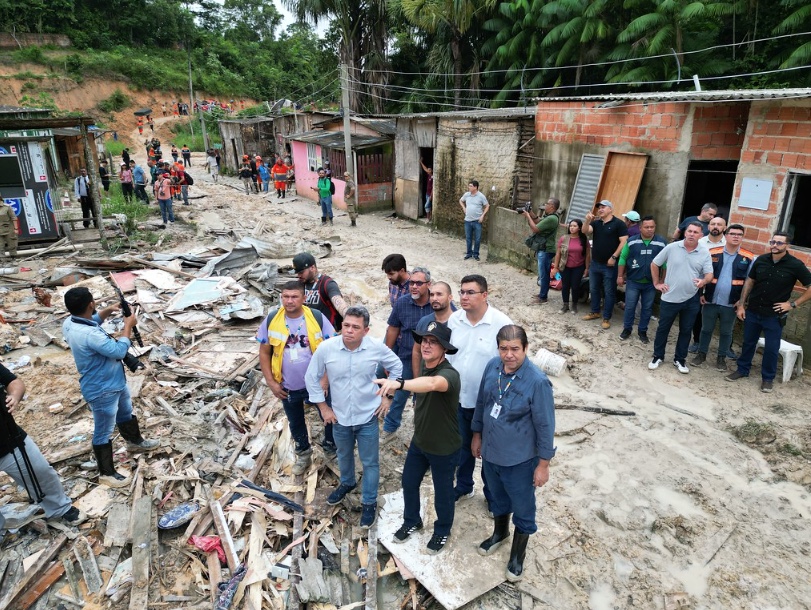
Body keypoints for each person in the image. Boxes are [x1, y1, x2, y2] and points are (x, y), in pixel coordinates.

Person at [305, 306, 402, 528]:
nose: (349, 330)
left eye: (355, 327)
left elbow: (397, 367)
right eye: (346, 325)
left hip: (367, 416)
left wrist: (388, 396)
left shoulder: (375, 347)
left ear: (366, 331)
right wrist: (323, 408)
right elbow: (311, 377)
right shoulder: (327, 349)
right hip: (339, 417)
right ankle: (347, 482)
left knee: (370, 462)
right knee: (343, 453)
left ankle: (369, 502)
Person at [472, 325, 555, 581]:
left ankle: (517, 556)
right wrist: (477, 434)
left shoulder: (537, 382)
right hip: (491, 453)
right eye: (504, 349)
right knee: (496, 497)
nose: (509, 355)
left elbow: (545, 425)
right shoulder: (492, 367)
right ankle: (500, 533)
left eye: (515, 349)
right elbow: (482, 402)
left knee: (522, 506)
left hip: (519, 459)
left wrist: (543, 464)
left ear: (526, 348)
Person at [62, 287, 160, 488]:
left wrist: (109, 310)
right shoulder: (91, 335)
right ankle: (106, 473)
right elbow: (117, 351)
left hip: (113, 381)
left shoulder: (71, 322)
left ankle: (135, 442)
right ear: (91, 304)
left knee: (125, 411)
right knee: (103, 430)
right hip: (102, 388)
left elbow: (92, 320)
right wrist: (127, 326)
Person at [377, 322, 461, 554]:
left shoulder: (449, 375)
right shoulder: (425, 367)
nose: (426, 345)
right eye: (424, 340)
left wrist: (400, 383)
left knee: (443, 492)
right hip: (420, 442)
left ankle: (442, 529)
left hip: (444, 447)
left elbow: (434, 385)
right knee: (408, 482)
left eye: (433, 342)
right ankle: (412, 520)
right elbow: (423, 383)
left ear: (444, 348)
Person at [447, 274, 513, 507]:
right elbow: (448, 356)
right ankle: (464, 486)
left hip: (489, 403)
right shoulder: (455, 320)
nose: (464, 297)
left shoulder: (501, 324)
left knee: (490, 454)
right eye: (462, 292)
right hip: (458, 399)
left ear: (485, 295)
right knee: (462, 447)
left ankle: (493, 497)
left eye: (470, 292)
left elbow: (512, 363)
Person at [257, 281, 336, 474]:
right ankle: (303, 453)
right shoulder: (272, 320)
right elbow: (264, 353)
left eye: (294, 297)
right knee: (296, 421)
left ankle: (331, 448)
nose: (289, 301)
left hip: (318, 384)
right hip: (288, 386)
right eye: (285, 296)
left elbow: (333, 351)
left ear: (304, 298)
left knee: (329, 417)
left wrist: (325, 380)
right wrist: (271, 383)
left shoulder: (317, 318)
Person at [0, 363, 87, 533]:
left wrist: (15, 397)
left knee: (40, 472)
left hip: (9, 438)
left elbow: (14, 382)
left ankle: (60, 508)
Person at [726, 232, 811, 392]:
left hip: (774, 315)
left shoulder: (795, 265)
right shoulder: (761, 260)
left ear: (787, 246)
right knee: (748, 343)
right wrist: (742, 305)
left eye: (779, 243)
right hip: (753, 310)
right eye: (773, 242)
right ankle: (742, 370)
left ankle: (767, 378)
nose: (774, 245)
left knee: (772, 348)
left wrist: (792, 304)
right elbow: (750, 282)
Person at [648, 222, 713, 373]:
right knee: (663, 328)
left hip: (691, 299)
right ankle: (658, 356)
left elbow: (709, 274)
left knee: (686, 330)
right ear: (685, 232)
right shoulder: (672, 247)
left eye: (695, 232)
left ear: (701, 235)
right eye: (689, 231)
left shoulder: (704, 252)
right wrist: (657, 283)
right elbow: (654, 263)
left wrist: (704, 281)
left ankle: (680, 360)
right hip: (670, 297)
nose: (691, 234)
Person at [381, 267, 434, 445]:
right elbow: (393, 330)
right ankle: (389, 428)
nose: (414, 287)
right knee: (399, 396)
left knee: (429, 399)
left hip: (432, 362)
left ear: (429, 285)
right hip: (405, 356)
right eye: (411, 282)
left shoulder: (438, 304)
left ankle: (425, 434)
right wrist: (386, 359)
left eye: (419, 283)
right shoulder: (402, 303)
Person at [691, 224, 754, 371]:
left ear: (742, 237)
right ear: (726, 236)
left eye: (739, 234)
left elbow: (750, 283)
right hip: (710, 299)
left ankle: (721, 358)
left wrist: (742, 302)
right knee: (706, 329)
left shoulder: (749, 257)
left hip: (731, 303)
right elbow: (701, 274)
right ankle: (701, 354)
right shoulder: (712, 252)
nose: (736, 236)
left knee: (726, 332)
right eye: (732, 233)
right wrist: (701, 294)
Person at [617, 216, 666, 343]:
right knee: (630, 307)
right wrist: (620, 276)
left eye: (652, 227)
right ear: (640, 228)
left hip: (651, 283)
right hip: (633, 281)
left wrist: (661, 280)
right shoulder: (632, 241)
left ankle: (642, 331)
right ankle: (627, 329)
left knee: (647, 308)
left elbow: (665, 263)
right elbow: (622, 258)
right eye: (646, 227)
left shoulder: (661, 242)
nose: (650, 229)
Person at [582, 200, 628, 330]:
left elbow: (624, 241)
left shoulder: (619, 224)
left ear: (610, 209)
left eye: (603, 207)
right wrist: (586, 221)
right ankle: (595, 311)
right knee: (594, 288)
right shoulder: (596, 223)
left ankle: (606, 317)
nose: (600, 209)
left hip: (610, 266)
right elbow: (585, 231)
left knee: (609, 291)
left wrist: (614, 257)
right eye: (599, 208)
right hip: (595, 263)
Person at [689, 216, 728, 353]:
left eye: (719, 224)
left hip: (722, 285)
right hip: (701, 283)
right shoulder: (700, 242)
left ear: (725, 227)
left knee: (726, 317)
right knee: (698, 314)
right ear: (708, 226)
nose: (715, 226)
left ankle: (726, 348)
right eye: (713, 224)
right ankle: (697, 341)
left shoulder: (728, 244)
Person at [293, 252, 348, 331]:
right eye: (297, 273)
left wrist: (349, 315)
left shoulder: (327, 283)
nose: (299, 276)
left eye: (301, 272)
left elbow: (338, 301)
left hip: (327, 333)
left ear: (312, 267)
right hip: (306, 332)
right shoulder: (299, 285)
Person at [523, 198, 561, 304]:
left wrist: (527, 216)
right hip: (544, 249)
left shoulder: (552, 219)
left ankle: (543, 297)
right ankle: (542, 294)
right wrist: (530, 212)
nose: (545, 205)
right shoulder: (549, 217)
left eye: (547, 204)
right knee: (543, 273)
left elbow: (535, 228)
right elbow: (538, 221)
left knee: (544, 274)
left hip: (546, 250)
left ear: (552, 206)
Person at [554, 219, 590, 314]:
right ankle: (565, 305)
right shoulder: (564, 238)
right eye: (571, 226)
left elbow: (587, 255)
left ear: (579, 228)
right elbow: (558, 254)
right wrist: (555, 267)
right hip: (565, 266)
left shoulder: (584, 239)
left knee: (575, 286)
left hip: (578, 267)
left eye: (574, 226)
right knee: (565, 285)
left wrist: (587, 268)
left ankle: (574, 304)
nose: (572, 228)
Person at [459, 180, 489, 261]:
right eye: (469, 186)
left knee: (478, 239)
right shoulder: (467, 195)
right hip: (467, 220)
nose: (469, 187)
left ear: (475, 187)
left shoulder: (481, 196)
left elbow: (487, 206)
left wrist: (482, 216)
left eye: (471, 186)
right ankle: (469, 253)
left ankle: (476, 254)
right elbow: (461, 201)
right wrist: (464, 208)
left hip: (477, 221)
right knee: (468, 238)